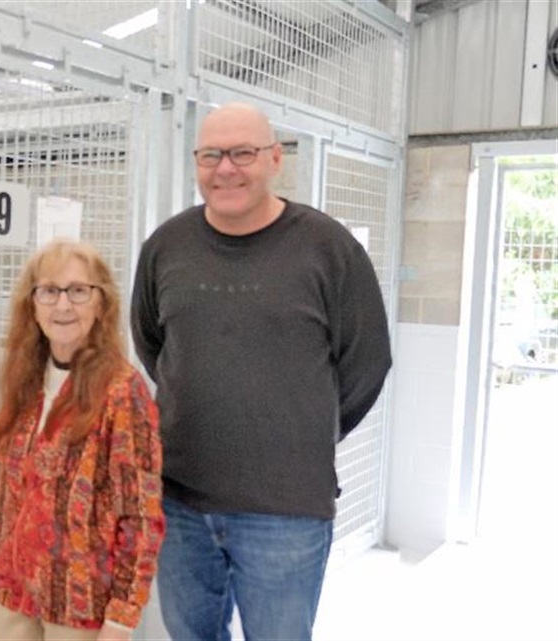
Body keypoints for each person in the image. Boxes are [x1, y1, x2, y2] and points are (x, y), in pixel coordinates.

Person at [130, 102, 393, 640]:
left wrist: (303, 430)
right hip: (180, 500)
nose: (226, 168)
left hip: (287, 510)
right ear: (197, 162)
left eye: (243, 153)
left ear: (275, 158)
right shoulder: (165, 247)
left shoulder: (328, 248)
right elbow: (153, 344)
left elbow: (367, 361)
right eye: (211, 155)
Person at [0, 240, 164, 641]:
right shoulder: (30, 377)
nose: (62, 306)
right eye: (49, 291)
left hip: (77, 600)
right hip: (13, 584)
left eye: (78, 291)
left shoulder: (122, 391)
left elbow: (141, 516)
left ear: (102, 304)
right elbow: (12, 452)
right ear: (32, 305)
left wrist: (121, 619)